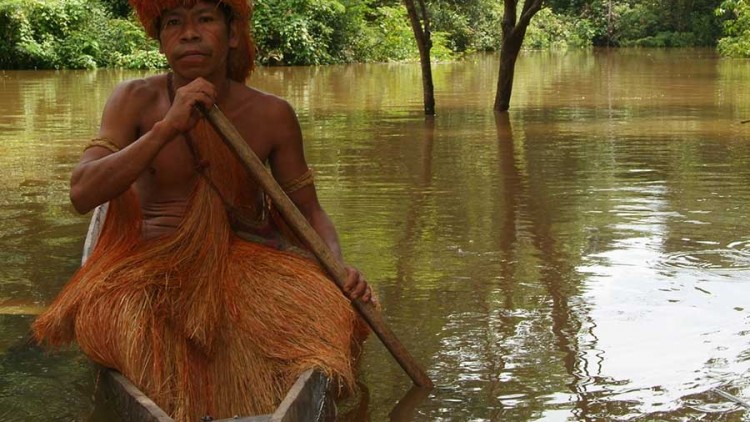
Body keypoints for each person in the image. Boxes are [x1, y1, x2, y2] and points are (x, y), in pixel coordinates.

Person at [32, 0, 373, 419]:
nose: (189, 33)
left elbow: (309, 212)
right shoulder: (135, 100)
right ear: (160, 43)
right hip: (146, 267)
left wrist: (337, 269)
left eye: (204, 19)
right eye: (174, 23)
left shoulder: (271, 115)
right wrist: (167, 127)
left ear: (232, 35)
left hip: (241, 263)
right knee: (117, 322)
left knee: (326, 312)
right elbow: (82, 194)